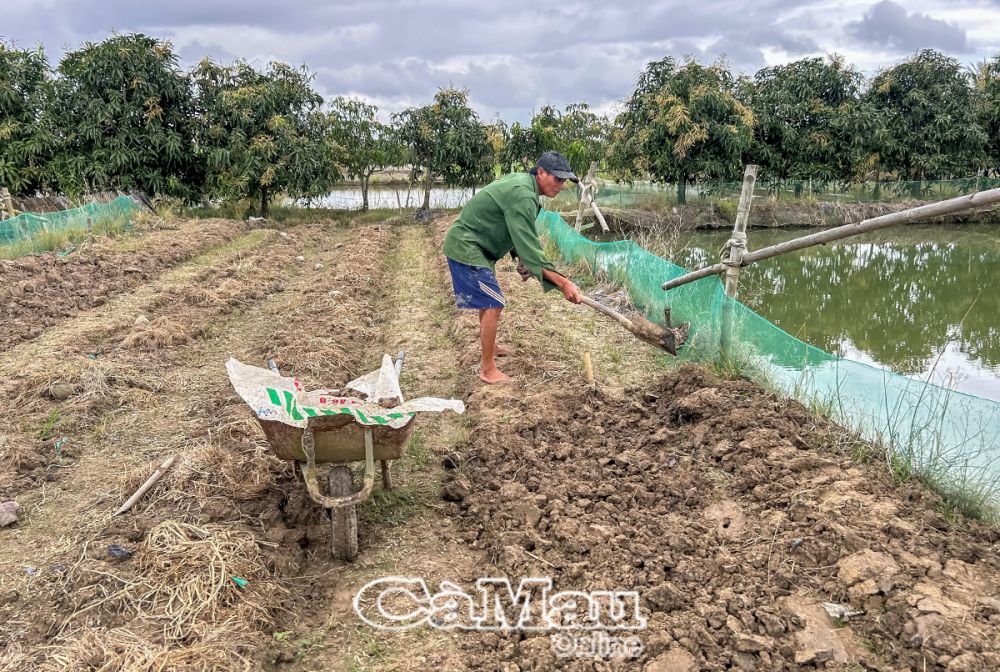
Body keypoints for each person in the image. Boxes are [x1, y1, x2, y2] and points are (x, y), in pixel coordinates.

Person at [443, 151, 584, 384]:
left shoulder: (524, 186)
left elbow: (516, 231)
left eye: (564, 180)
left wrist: (520, 257)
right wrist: (564, 283)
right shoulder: (523, 194)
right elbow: (531, 247)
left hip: (478, 247)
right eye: (557, 179)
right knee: (493, 303)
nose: (561, 185)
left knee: (488, 300)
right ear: (540, 173)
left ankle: (491, 346)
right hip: (467, 247)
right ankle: (487, 370)